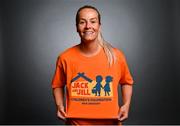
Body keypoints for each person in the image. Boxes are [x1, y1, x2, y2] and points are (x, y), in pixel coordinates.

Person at [52, 5, 134, 125]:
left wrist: (126, 105)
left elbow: (126, 82)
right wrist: (59, 105)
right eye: (82, 22)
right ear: (76, 27)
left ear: (99, 26)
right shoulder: (65, 57)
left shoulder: (117, 56)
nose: (88, 26)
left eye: (93, 21)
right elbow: (57, 85)